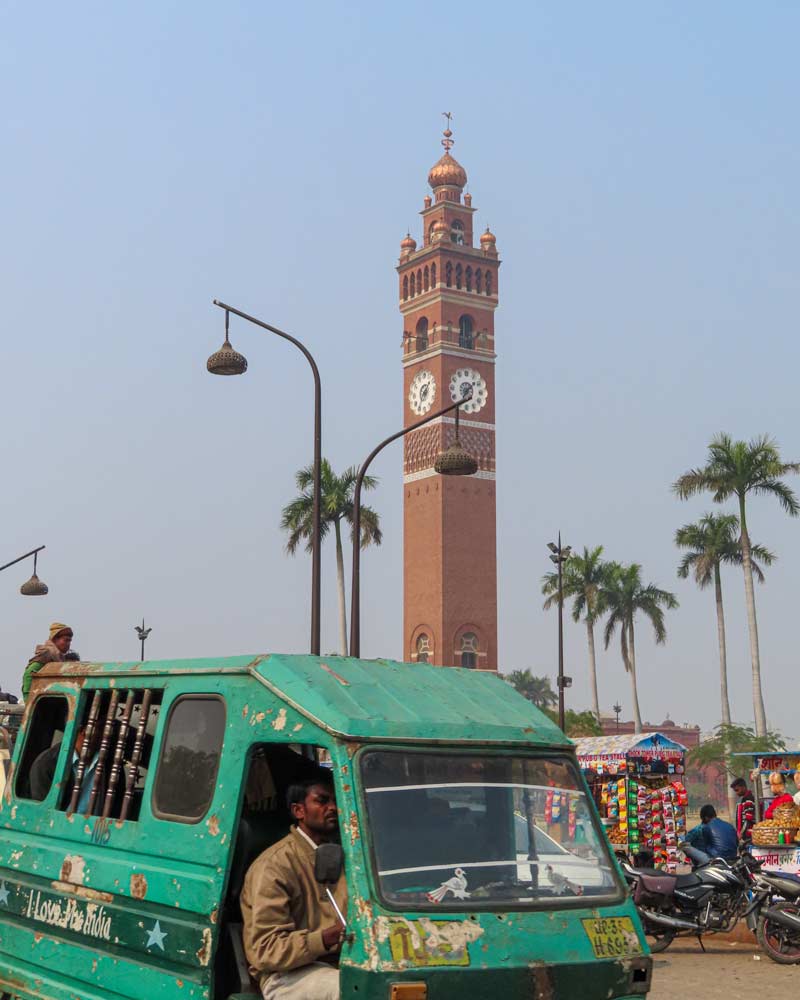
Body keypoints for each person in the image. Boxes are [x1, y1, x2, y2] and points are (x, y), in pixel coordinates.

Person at [241, 774, 347, 1000]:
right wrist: (324, 938)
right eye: (322, 801)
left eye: (336, 801)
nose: (333, 808)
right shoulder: (274, 865)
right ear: (299, 811)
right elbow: (266, 948)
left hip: (344, 962)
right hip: (286, 975)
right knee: (348, 990)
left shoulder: (348, 855)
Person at [22, 623, 74, 700]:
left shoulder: (58, 657)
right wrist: (30, 700)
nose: (68, 644)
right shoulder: (47, 654)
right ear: (55, 639)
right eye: (66, 640)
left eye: (70, 641)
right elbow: (28, 675)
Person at [730, 777, 756, 842]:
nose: (736, 793)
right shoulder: (744, 799)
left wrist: (741, 833)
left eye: (737, 790)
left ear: (743, 787)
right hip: (745, 834)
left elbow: (748, 819)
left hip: (748, 835)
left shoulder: (748, 799)